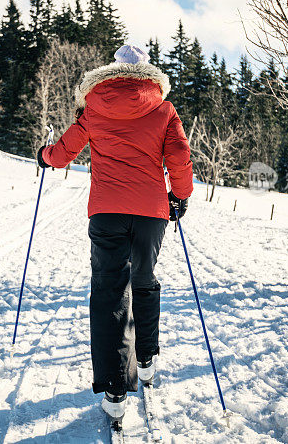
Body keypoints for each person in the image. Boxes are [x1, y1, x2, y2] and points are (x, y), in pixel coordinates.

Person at [37, 44, 193, 421]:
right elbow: (179, 154)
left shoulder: (95, 107)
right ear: (147, 73)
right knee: (143, 279)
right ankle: (147, 359)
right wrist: (180, 195)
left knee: (110, 292)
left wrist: (44, 154)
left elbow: (63, 154)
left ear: (113, 71)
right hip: (151, 211)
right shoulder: (163, 108)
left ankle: (114, 388)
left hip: (107, 211)